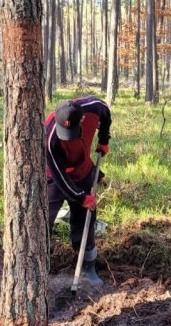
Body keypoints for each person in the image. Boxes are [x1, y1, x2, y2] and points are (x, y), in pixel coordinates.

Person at [45, 97, 112, 286]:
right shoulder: (50, 137)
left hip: (83, 170)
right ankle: (40, 265)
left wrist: (104, 139)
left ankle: (87, 267)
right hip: (55, 175)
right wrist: (79, 197)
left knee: (85, 219)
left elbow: (105, 112)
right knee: (44, 219)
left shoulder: (93, 108)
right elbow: (59, 175)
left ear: (82, 120)